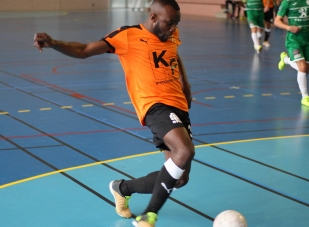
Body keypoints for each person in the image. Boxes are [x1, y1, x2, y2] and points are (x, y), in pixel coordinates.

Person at [33, 0, 194, 226]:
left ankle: (122, 188)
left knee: (179, 178)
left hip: (179, 105)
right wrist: (54, 43)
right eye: (169, 23)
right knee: (185, 150)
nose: (173, 28)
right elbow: (84, 50)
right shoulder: (127, 36)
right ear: (154, 17)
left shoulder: (171, 33)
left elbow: (173, 55)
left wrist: (185, 83)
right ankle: (149, 215)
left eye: (176, 23)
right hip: (154, 106)